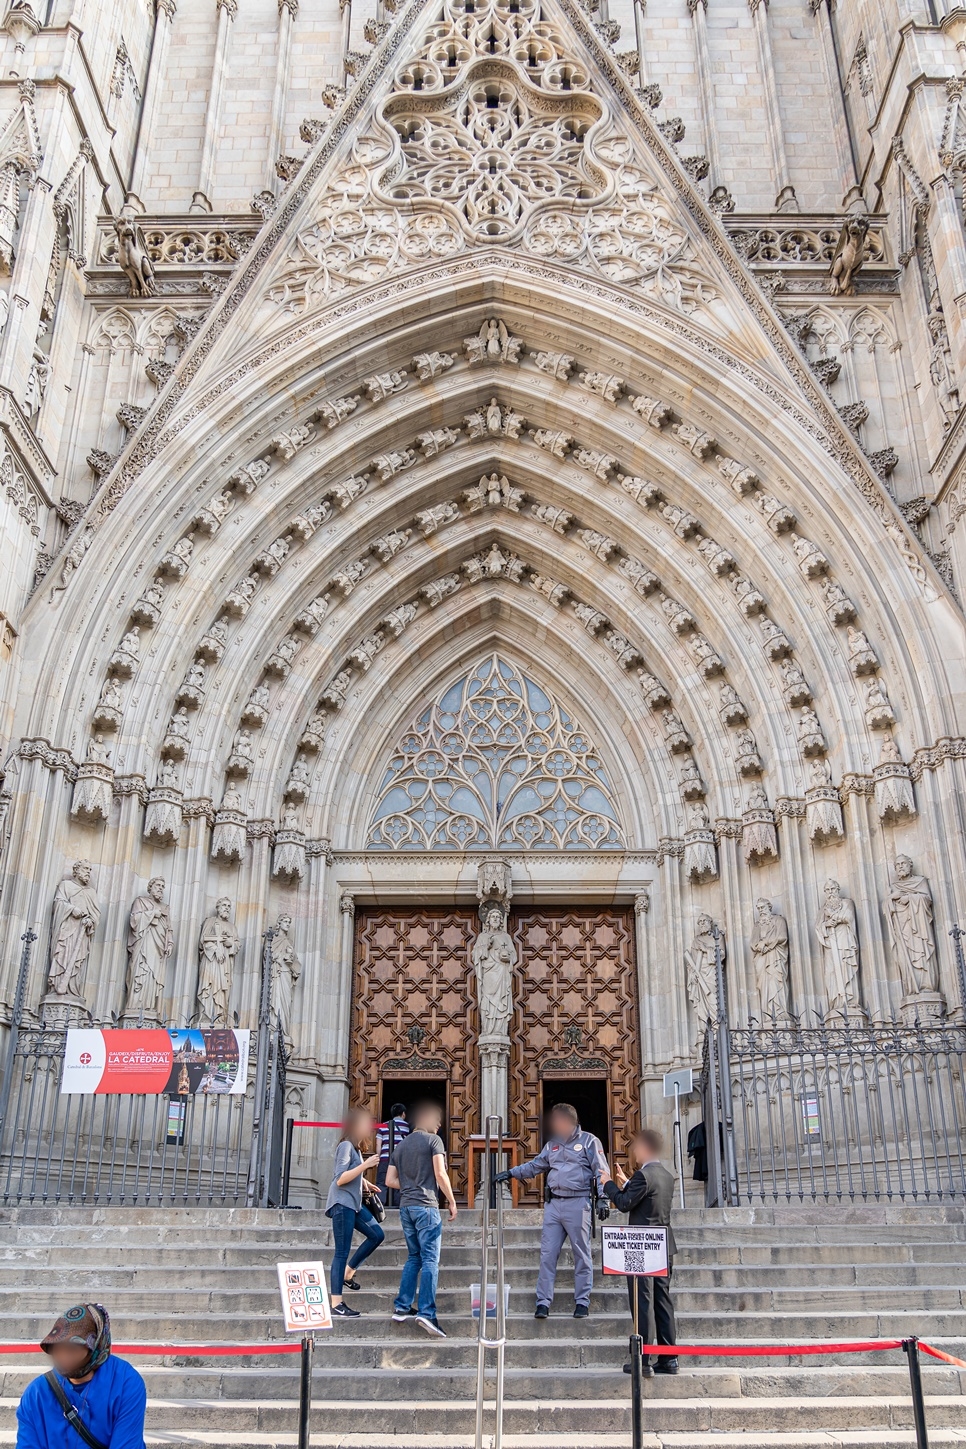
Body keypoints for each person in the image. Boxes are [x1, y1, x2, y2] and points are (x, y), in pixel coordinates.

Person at [496, 1102, 609, 1319]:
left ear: (567, 1120)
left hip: (578, 1203)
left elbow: (601, 1170)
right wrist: (511, 1173)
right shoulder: (552, 1145)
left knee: (581, 1254)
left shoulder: (589, 1141)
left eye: (556, 1119)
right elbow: (536, 1165)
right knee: (548, 1254)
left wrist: (603, 1198)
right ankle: (543, 1302)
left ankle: (582, 1301)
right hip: (554, 1205)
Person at [17, 1303, 146, 1449]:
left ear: (96, 1347)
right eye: (57, 1348)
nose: (63, 1357)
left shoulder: (125, 1383)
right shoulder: (36, 1394)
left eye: (72, 1349)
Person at [603, 1128, 678, 1377]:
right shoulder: (665, 1175)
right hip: (664, 1246)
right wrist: (627, 1184)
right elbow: (645, 1200)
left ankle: (642, 1359)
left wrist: (609, 1184)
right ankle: (669, 1359)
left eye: (636, 1146)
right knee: (662, 1301)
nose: (634, 1151)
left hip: (642, 1247)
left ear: (645, 1148)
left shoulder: (644, 1176)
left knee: (642, 1301)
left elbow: (624, 1204)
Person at [385, 1100, 457, 1338]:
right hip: (426, 1207)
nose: (438, 1126)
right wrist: (452, 1201)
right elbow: (440, 1172)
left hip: (406, 1207)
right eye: (435, 1120)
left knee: (413, 1256)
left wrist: (409, 1187)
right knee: (429, 1260)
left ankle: (402, 1306)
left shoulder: (401, 1146)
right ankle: (426, 1312)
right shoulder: (433, 1141)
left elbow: (389, 1181)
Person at [325, 1107, 385, 1319]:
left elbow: (351, 1174)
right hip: (342, 1204)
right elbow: (340, 1178)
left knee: (377, 1234)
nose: (368, 1127)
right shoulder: (345, 1146)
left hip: (354, 1203)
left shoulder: (356, 1149)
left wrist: (365, 1182)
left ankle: (348, 1272)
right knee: (341, 1252)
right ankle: (336, 1303)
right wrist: (365, 1166)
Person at [376, 1103, 410, 1207]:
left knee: (381, 1183)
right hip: (401, 1160)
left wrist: (378, 1158)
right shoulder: (407, 1127)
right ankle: (397, 1207)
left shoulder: (382, 1126)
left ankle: (379, 1207)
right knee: (398, 1183)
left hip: (385, 1159)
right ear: (403, 1114)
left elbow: (378, 1144)